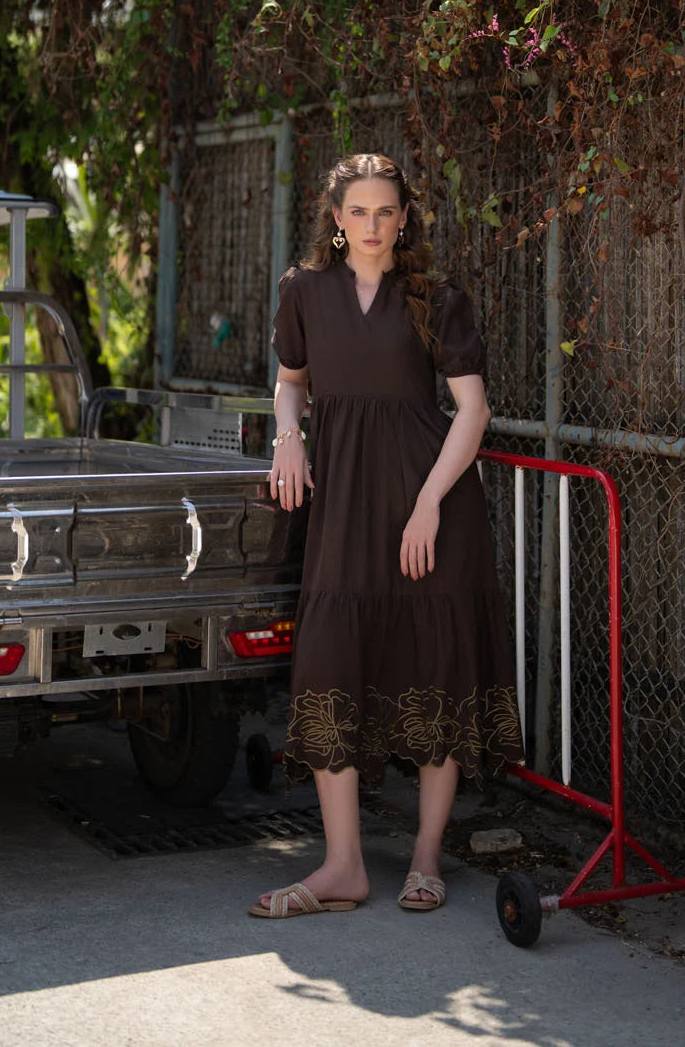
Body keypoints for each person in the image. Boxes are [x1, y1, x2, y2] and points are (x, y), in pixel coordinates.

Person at [248, 152, 523, 920]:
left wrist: (431, 502)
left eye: (386, 211)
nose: (372, 226)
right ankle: (343, 866)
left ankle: (427, 860)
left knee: (434, 663)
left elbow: (472, 411)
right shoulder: (302, 294)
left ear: (405, 218)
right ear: (336, 220)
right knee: (332, 657)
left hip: (430, 505)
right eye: (357, 212)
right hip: (344, 506)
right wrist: (288, 439)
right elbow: (290, 381)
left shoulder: (437, 298)